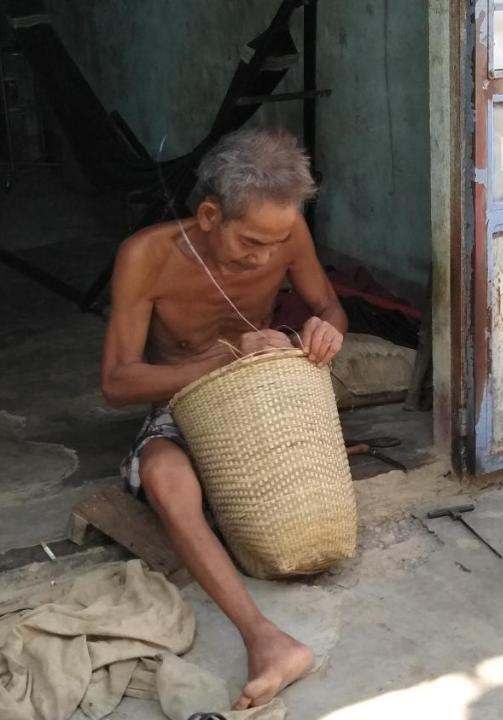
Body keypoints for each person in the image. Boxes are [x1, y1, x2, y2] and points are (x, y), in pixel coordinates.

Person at [100, 128, 346, 707]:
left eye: (279, 241)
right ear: (210, 215)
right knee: (162, 474)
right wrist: (221, 357)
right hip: (181, 403)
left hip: (260, 398)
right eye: (252, 243)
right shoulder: (147, 257)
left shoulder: (285, 232)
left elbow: (329, 305)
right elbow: (116, 382)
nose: (267, 257)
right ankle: (264, 638)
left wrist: (326, 328)